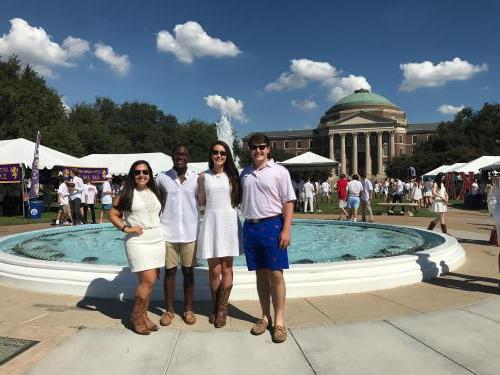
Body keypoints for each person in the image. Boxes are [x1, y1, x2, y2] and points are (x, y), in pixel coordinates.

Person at [240, 133, 296, 344]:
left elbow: (288, 201)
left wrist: (286, 229)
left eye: (262, 147)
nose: (258, 151)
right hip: (251, 228)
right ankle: (265, 317)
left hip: (273, 225)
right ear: (250, 149)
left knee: (276, 275)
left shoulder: (279, 172)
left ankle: (279, 321)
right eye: (254, 147)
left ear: (268, 149)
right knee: (260, 276)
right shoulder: (244, 173)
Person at [108, 160, 165, 335]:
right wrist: (126, 228)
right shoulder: (127, 193)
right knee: (147, 280)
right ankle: (136, 316)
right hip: (138, 241)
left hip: (157, 239)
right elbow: (112, 214)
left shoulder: (154, 191)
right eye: (138, 172)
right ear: (132, 175)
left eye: (145, 172)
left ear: (150, 174)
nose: (142, 175)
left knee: (151, 281)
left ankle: (144, 315)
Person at [197, 141, 242, 328]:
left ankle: (222, 310)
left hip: (229, 223)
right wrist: (200, 184)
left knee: (227, 268)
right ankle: (215, 307)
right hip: (211, 223)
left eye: (223, 153)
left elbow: (238, 200)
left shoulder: (232, 175)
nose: (219, 155)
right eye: (215, 152)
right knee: (214, 271)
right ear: (211, 155)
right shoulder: (203, 176)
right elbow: (201, 202)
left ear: (227, 155)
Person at [156, 144, 199, 326]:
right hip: (168, 232)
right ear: (172, 156)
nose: (180, 157)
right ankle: (169, 310)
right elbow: (156, 204)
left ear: (188, 156)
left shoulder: (197, 179)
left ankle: (188, 309)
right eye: (177, 154)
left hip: (190, 232)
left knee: (188, 272)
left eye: (184, 154)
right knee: (170, 272)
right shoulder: (162, 178)